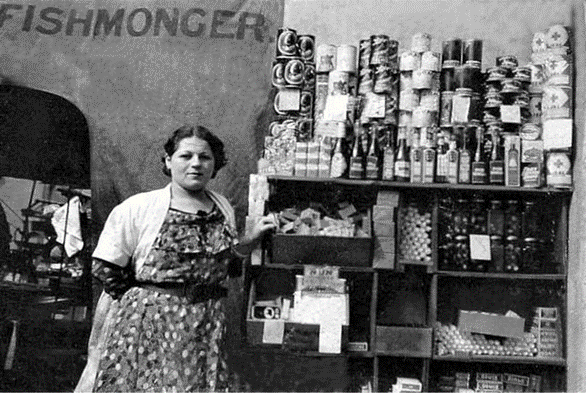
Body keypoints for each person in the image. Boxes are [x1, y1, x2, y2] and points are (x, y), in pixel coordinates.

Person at [75, 125, 276, 392]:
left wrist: (245, 244)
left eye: (205, 157)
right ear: (169, 161)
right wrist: (146, 307)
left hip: (205, 324)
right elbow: (105, 267)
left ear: (215, 164)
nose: (196, 164)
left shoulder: (222, 208)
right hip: (150, 327)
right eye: (186, 156)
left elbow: (223, 268)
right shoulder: (139, 207)